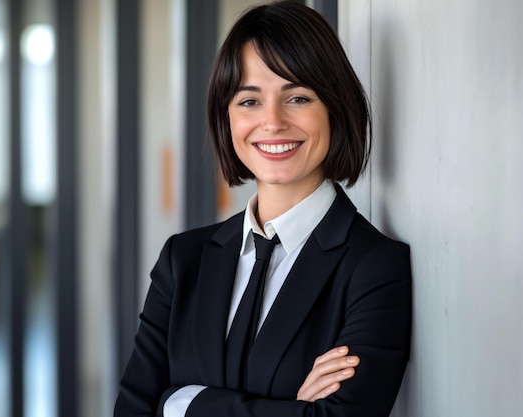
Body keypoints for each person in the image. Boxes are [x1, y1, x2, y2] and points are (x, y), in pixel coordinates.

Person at [114, 2, 411, 416]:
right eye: (249, 101)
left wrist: (182, 403)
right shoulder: (183, 260)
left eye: (298, 97)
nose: (272, 122)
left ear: (334, 108)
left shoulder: (373, 267)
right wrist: (290, 409)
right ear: (227, 117)